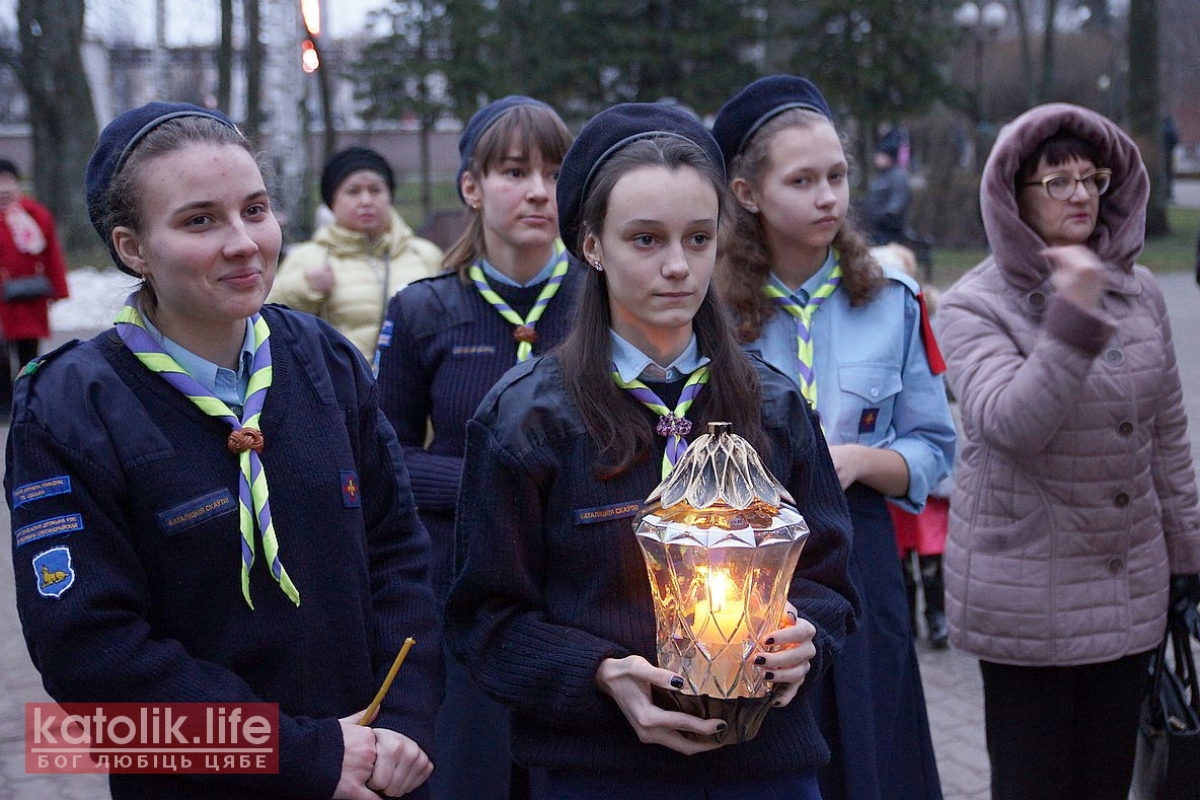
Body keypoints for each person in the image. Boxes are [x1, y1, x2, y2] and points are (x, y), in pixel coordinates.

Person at [7, 102, 442, 799]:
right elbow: (90, 659)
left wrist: (407, 723)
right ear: (132, 248)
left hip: (375, 772)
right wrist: (300, 756)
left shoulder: (323, 359)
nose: (244, 241)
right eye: (199, 220)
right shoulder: (69, 409)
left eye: (256, 209)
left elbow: (398, 552)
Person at [444, 102, 858, 798]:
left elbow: (830, 579)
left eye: (698, 239)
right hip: (599, 771)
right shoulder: (528, 419)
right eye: (645, 240)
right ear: (591, 245)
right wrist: (601, 674)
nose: (677, 267)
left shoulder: (774, 407)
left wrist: (805, 637)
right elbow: (485, 621)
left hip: (766, 770)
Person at [937, 102, 1200, 800]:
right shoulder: (971, 305)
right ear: (1013, 197)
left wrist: (1189, 560)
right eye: (1057, 182)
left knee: (1107, 782)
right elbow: (1010, 423)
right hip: (1027, 598)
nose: (1081, 194)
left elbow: (1167, 437)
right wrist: (1073, 314)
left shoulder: (1141, 292)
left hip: (1129, 588)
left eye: (1092, 177)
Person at [712, 75, 955, 800]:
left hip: (862, 548)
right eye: (803, 180)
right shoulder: (710, 308)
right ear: (748, 193)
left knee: (873, 745)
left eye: (838, 177)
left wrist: (859, 461)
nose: (828, 197)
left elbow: (937, 448)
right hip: (745, 562)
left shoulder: (891, 300)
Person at [375, 95, 577, 800]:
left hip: (577, 589)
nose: (539, 192)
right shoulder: (424, 309)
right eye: (515, 171)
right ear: (471, 186)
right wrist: (490, 484)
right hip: (462, 586)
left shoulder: (604, 301)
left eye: (555, 172)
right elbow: (385, 454)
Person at [268, 145, 443, 365]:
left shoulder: (425, 254)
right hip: (342, 391)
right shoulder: (308, 258)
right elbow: (266, 317)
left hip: (417, 390)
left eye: (375, 190)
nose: (366, 201)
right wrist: (304, 288)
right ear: (332, 203)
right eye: (353, 191)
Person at [873, 242, 952, 649]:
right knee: (901, 554)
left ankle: (936, 616)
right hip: (888, 469)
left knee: (932, 549)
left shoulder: (922, 320)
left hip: (923, 469)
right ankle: (907, 620)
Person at [0, 158, 69, 414]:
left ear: (18, 185)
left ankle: (27, 399)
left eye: (8, 181)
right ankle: (5, 403)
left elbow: (52, 256)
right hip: (1, 303)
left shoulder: (36, 215)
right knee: (1, 356)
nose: (3, 188)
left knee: (29, 353)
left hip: (29, 298)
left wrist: (59, 289)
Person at [864, 127, 912, 245]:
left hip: (890, 228)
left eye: (880, 155)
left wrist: (884, 216)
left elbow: (897, 202)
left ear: (889, 157)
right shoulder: (881, 175)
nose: (876, 158)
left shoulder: (898, 175)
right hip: (876, 226)